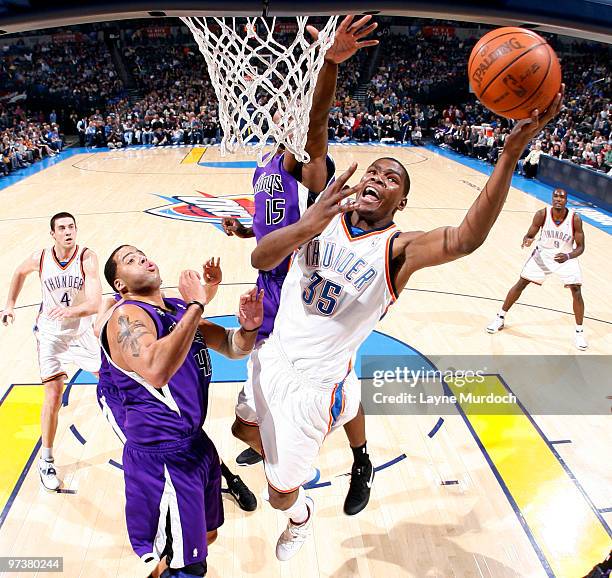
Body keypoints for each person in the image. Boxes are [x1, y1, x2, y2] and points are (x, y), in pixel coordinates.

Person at [247, 89, 564, 560]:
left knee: (280, 493)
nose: (378, 176)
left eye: (391, 178)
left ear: (402, 202)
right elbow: (314, 142)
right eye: (373, 170)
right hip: (273, 355)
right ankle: (346, 402)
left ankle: (302, 516)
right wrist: (330, 65)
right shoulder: (323, 211)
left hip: (312, 388)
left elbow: (464, 239)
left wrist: (510, 153)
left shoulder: (399, 249)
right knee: (241, 429)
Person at [222, 14, 379, 515]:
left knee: (341, 382)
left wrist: (326, 71)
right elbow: (275, 221)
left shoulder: (300, 159)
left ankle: (360, 458)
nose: (280, 111)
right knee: (268, 371)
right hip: (270, 277)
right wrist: (247, 229)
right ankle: (277, 434)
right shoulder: (265, 161)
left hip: (308, 283)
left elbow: (316, 128)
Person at [100, 245, 263, 577]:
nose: (143, 258)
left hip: (194, 442)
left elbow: (233, 347)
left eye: (143, 253)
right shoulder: (125, 317)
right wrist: (198, 303)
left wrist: (249, 328)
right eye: (130, 260)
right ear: (120, 285)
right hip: (163, 458)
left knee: (207, 535)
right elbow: (156, 369)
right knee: (188, 566)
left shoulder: (175, 310)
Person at [2, 212, 102, 490]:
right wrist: (10, 303)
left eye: (71, 226)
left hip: (81, 333)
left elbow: (95, 303)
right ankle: (46, 459)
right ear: (53, 234)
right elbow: (19, 272)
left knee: (110, 382)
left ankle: (137, 437)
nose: (68, 231)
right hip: (50, 336)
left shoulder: (87, 257)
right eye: (62, 228)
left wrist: (71, 311)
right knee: (53, 394)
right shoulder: (41, 257)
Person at [486, 187, 587, 350]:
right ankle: (500, 317)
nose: (558, 199)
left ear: (566, 200)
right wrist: (527, 240)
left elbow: (581, 247)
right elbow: (530, 234)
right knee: (521, 284)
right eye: (556, 196)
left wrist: (568, 256)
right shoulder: (542, 214)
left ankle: (579, 333)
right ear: (552, 198)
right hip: (543, 256)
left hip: (566, 257)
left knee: (576, 291)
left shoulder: (575, 219)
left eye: (562, 197)